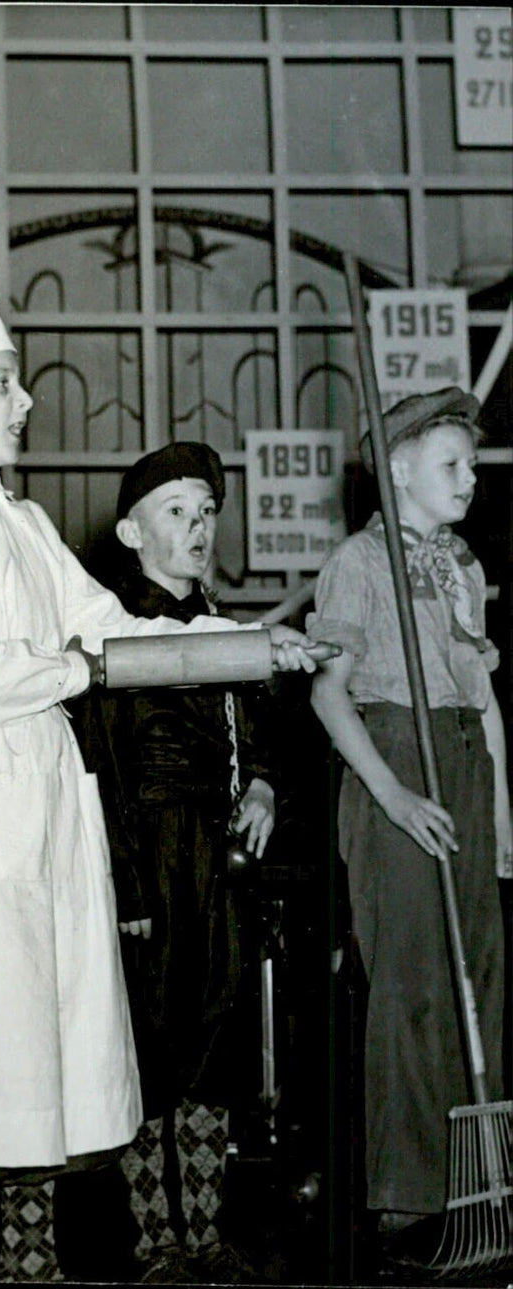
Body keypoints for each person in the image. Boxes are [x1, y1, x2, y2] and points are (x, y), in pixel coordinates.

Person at [0, 218, 320, 1281]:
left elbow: (117, 623)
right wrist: (80, 668)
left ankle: (36, 1266)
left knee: (45, 1046)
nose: (26, 400)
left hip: (44, 802)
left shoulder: (20, 519)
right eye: (2, 382)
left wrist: (250, 645)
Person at [306, 388, 510, 1264]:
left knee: (484, 981)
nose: (469, 478)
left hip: (463, 762)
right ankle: (405, 1199)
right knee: (413, 987)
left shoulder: (462, 565)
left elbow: (483, 696)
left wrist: (500, 816)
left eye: (471, 463)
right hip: (393, 760)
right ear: (397, 471)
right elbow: (327, 692)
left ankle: (482, 1182)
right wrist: (393, 797)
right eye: (451, 465)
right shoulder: (360, 561)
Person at [69, 440, 280, 1249]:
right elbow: (102, 769)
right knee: (151, 1044)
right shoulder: (113, 633)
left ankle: (206, 1235)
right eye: (176, 512)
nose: (198, 528)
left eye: (206, 512)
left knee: (217, 1041)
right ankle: (154, 1241)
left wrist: (261, 784)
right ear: (130, 533)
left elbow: (261, 737)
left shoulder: (226, 627)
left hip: (221, 863)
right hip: (149, 858)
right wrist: (123, 887)